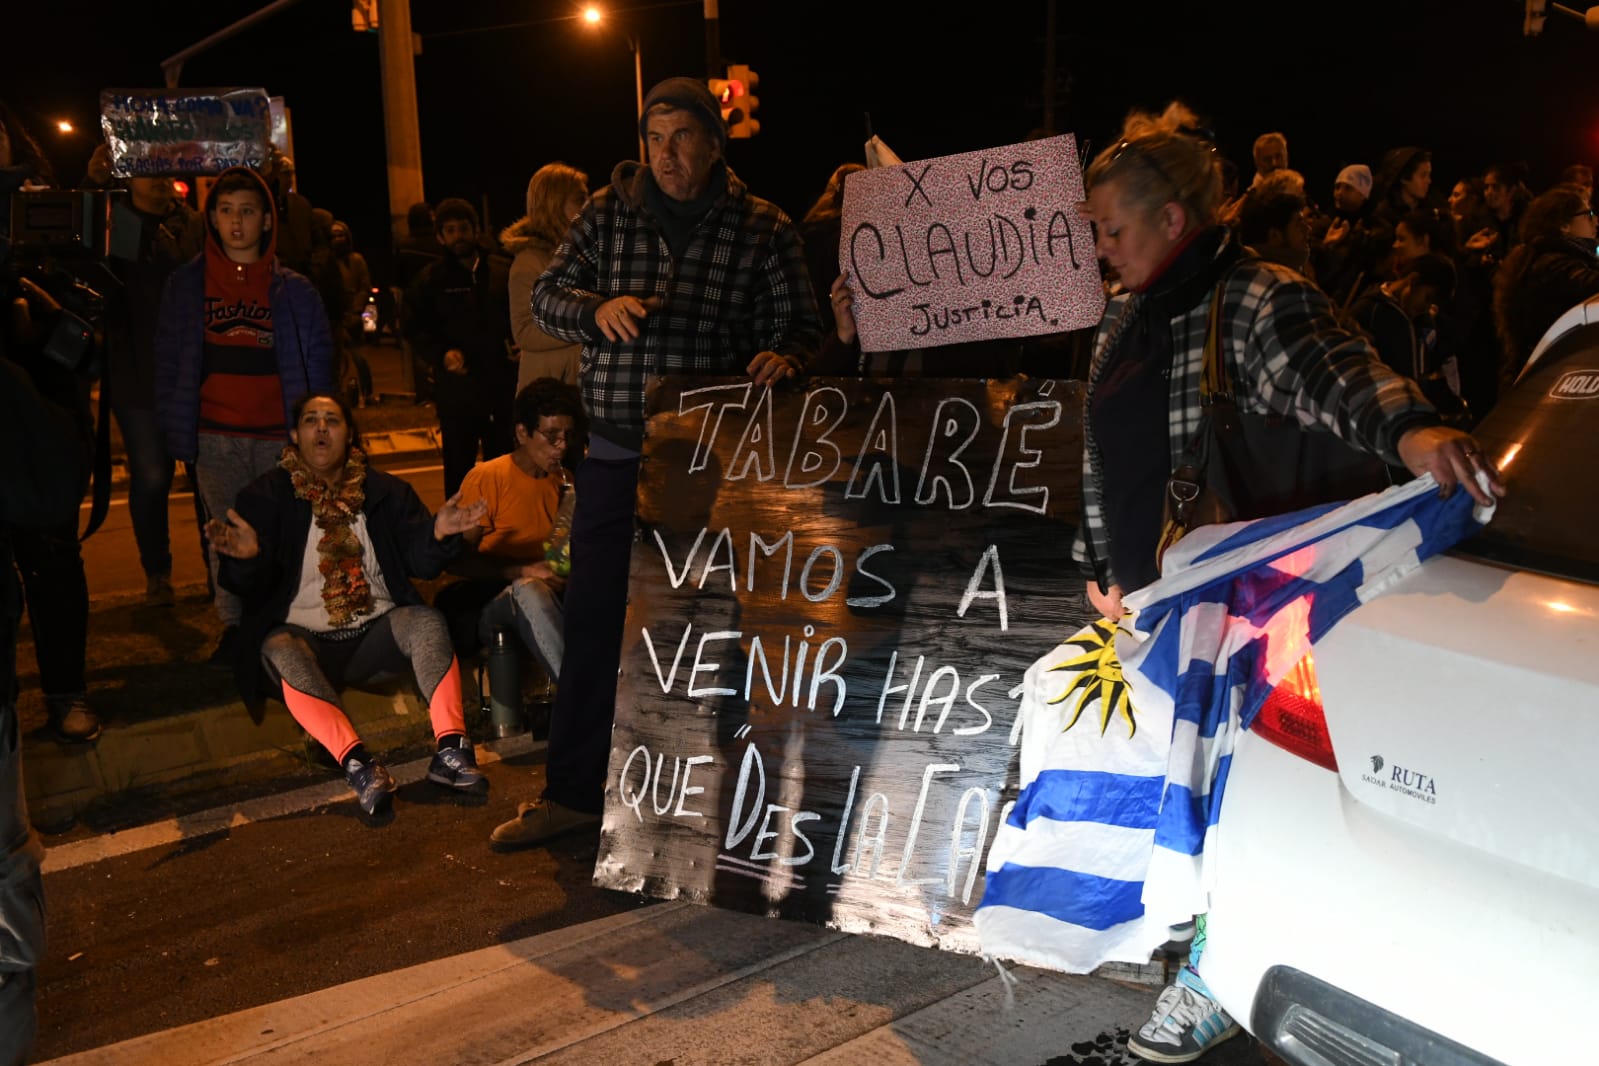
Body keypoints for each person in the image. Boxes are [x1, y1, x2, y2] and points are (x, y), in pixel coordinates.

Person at [1071, 102, 1503, 1064]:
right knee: (1182, 784)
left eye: (1111, 227)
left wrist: (1412, 432)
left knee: (1241, 797)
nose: (1099, 247)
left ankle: (1214, 979)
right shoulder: (1121, 316)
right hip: (1161, 607)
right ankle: (1197, 937)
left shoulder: (1259, 297)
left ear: (1173, 220)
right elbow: (1101, 456)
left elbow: (1340, 376)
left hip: (1256, 607)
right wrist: (1101, 567)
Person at [515, 75, 821, 844]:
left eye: (682, 137)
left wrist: (781, 354)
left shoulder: (761, 226)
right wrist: (595, 309)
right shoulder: (605, 213)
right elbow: (545, 297)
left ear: (715, 144)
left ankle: (699, 804)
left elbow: (798, 324)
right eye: (653, 139)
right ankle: (574, 792)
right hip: (617, 455)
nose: (666, 154)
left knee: (706, 631)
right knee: (591, 624)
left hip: (709, 471)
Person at [207, 393, 490, 816]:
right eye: (310, 420)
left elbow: (420, 563)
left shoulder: (385, 492)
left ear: (350, 434)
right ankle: (358, 764)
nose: (321, 429)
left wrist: (437, 534)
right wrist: (249, 560)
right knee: (278, 646)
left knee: (427, 620)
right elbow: (249, 589)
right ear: (294, 435)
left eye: (332, 421)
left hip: (372, 638)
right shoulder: (265, 497)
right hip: (303, 641)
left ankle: (451, 751)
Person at [154, 166, 336, 669]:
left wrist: (318, 429)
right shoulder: (187, 284)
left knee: (283, 530)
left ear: (266, 220)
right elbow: (170, 362)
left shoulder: (295, 290)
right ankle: (234, 627)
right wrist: (174, 431)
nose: (237, 222)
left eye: (248, 211)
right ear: (211, 217)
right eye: (226, 210)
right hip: (214, 435)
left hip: (278, 435)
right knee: (224, 532)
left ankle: (283, 620)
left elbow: (318, 361)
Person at [91, 156, 205, 608]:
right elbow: (106, 276)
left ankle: (222, 568)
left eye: (164, 172)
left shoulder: (191, 224)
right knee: (153, 477)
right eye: (147, 172)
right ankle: (157, 572)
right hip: (137, 375)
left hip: (192, 375)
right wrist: (93, 185)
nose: (159, 182)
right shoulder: (117, 223)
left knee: (207, 479)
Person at [406, 198, 517, 498]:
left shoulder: (504, 272)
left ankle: (503, 537)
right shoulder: (430, 280)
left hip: (501, 389)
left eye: (464, 228)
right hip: (457, 393)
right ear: (440, 236)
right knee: (459, 473)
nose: (458, 236)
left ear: (476, 230)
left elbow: (522, 319)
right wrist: (441, 355)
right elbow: (415, 328)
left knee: (503, 468)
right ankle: (458, 542)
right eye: (450, 230)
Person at [1491, 185, 1599, 392]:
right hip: (1544, 381)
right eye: (1588, 214)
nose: (1596, 220)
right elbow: (1590, 284)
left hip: (1543, 373)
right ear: (1563, 225)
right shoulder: (1552, 264)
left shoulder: (1545, 257)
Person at [501, 163, 589, 391]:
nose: (588, 206)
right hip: (552, 390)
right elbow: (524, 332)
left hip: (582, 388)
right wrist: (589, 323)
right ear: (554, 204)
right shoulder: (529, 263)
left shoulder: (584, 254)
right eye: (580, 199)